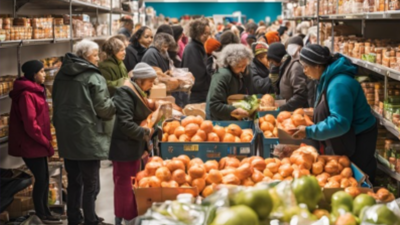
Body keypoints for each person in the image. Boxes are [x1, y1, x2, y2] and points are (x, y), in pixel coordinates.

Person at [52, 39, 115, 225]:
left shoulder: (60, 75)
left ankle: (74, 217)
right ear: (86, 56)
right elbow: (103, 108)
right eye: (95, 55)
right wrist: (115, 104)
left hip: (67, 135)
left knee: (74, 180)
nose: (98, 59)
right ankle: (91, 219)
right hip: (88, 135)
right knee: (91, 183)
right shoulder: (93, 77)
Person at [292, 44, 377, 182]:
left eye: (306, 66)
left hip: (359, 138)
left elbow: (340, 122)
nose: (304, 70)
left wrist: (309, 131)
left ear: (318, 66)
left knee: (358, 180)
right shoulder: (327, 78)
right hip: (348, 137)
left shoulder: (339, 84)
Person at [8, 60, 61, 224]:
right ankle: (42, 213)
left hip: (37, 143)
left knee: (44, 177)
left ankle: (45, 211)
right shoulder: (26, 95)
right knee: (41, 179)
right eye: (42, 71)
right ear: (33, 74)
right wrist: (46, 142)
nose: (44, 74)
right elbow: (31, 125)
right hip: (32, 144)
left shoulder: (37, 91)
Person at [110, 63, 157, 225]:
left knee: (132, 183)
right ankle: (124, 218)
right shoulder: (125, 92)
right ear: (140, 80)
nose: (152, 85)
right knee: (125, 184)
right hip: (125, 148)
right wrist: (145, 132)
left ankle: (128, 216)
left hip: (133, 146)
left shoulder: (137, 91)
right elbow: (125, 124)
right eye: (150, 81)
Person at [205, 44, 254, 120]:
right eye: (240, 66)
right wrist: (234, 110)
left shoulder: (236, 73)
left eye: (245, 66)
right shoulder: (222, 75)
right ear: (230, 62)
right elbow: (214, 105)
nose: (243, 70)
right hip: (218, 122)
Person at [181, 18, 211, 103]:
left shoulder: (198, 46)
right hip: (196, 94)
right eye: (205, 33)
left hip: (199, 92)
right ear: (197, 33)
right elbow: (197, 74)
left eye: (208, 34)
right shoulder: (192, 48)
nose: (207, 37)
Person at [276, 36, 308, 111]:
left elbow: (300, 93)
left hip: (294, 110)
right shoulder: (289, 61)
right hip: (289, 108)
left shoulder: (296, 66)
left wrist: (286, 107)